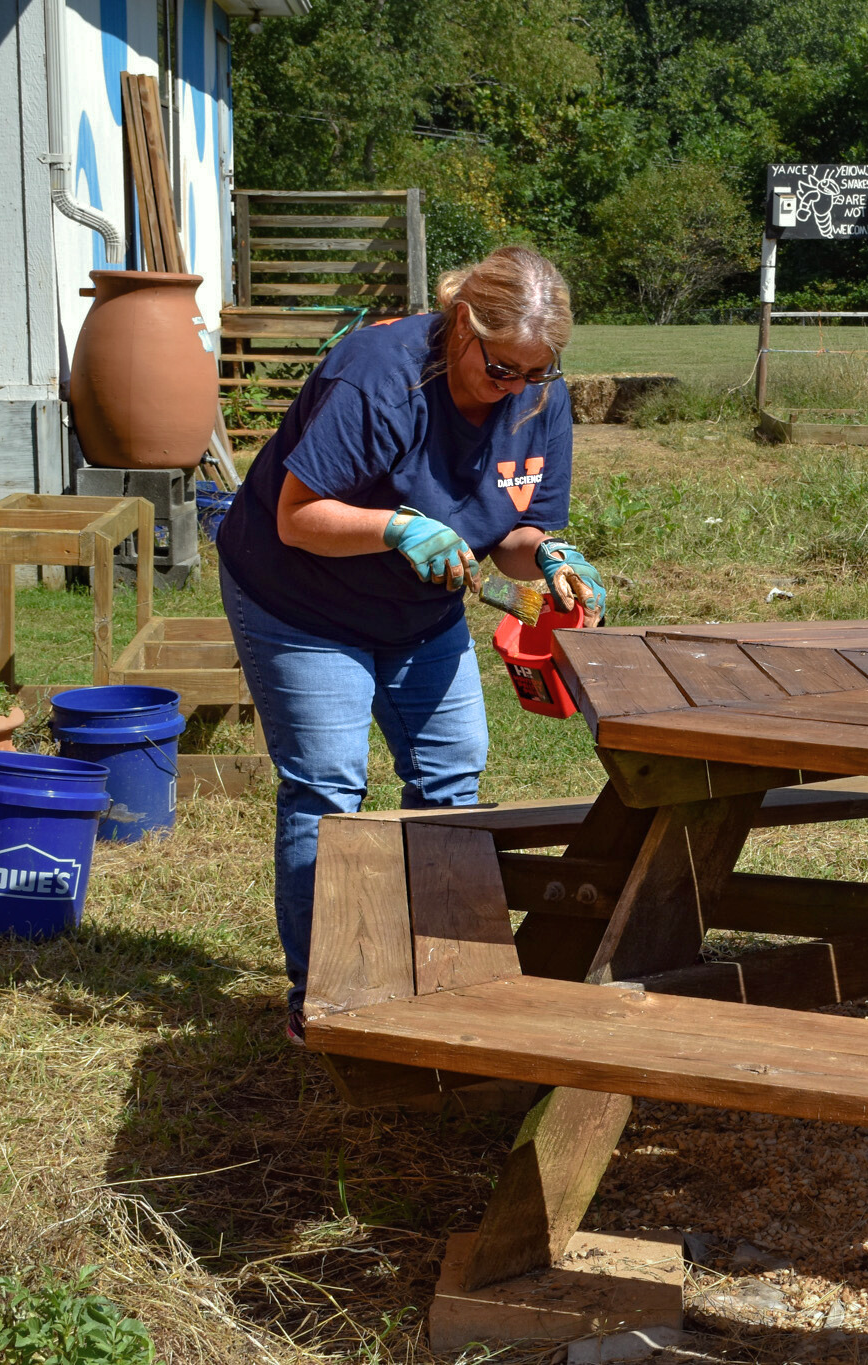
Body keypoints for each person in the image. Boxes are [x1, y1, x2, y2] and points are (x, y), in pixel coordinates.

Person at [215, 246, 605, 1041]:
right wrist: (394, 525)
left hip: (417, 609)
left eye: (539, 374)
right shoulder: (377, 376)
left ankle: (429, 981)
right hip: (301, 599)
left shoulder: (536, 395)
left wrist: (553, 557)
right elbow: (298, 516)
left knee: (451, 773)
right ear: (463, 324)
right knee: (329, 789)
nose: (519, 391)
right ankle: (320, 997)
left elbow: (515, 534)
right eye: (503, 371)